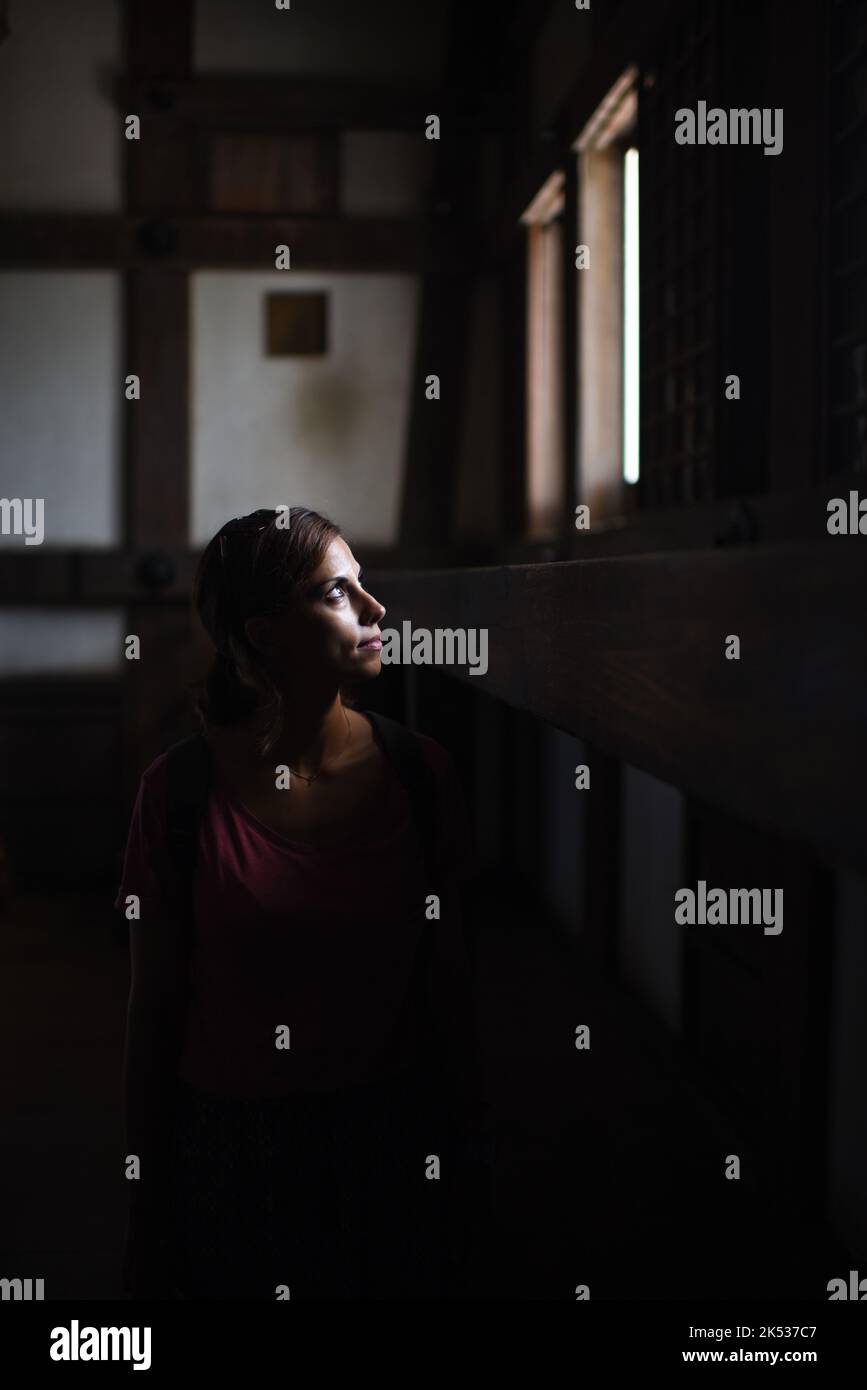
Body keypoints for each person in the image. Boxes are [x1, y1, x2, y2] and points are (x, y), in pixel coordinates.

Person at [118, 506, 492, 1300]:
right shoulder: (179, 796)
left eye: (363, 584)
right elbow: (152, 1005)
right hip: (229, 1143)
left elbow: (451, 986)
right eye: (335, 593)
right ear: (263, 635)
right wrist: (147, 1194)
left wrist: (466, 1157)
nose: (375, 609)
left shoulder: (420, 775)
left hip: (389, 1133)